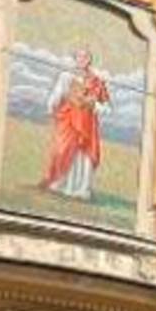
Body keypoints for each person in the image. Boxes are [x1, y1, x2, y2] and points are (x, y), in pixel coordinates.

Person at [42, 48, 110, 200]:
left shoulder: (97, 81)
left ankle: (80, 189)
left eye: (85, 57)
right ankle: (60, 182)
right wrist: (51, 106)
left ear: (89, 60)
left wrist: (94, 104)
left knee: (84, 155)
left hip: (87, 122)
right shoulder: (66, 76)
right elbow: (57, 93)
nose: (82, 59)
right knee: (63, 149)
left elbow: (106, 106)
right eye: (79, 57)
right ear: (75, 59)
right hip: (68, 119)